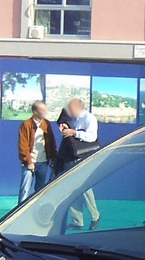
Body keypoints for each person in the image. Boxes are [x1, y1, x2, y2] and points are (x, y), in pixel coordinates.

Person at [59, 97, 101, 229]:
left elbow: (92, 137)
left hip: (84, 157)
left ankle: (95, 216)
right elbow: (62, 121)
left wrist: (74, 133)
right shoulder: (71, 118)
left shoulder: (89, 118)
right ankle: (77, 221)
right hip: (70, 156)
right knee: (71, 189)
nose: (69, 111)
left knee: (85, 189)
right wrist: (64, 127)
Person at [17, 101, 58, 203]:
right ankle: (20, 214)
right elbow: (23, 145)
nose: (45, 112)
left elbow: (51, 142)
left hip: (43, 162)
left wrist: (53, 158)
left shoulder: (46, 124)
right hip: (29, 163)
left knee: (40, 189)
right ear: (35, 111)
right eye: (42, 110)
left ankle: (36, 211)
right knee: (25, 189)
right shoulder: (26, 125)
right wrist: (29, 161)